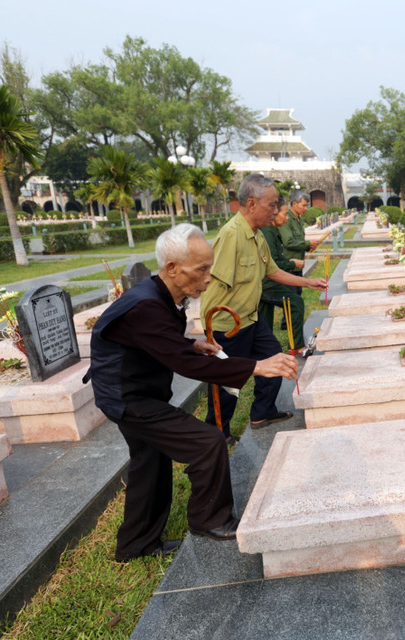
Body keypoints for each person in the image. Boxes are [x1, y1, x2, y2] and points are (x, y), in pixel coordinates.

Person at [84, 223, 299, 560]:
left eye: (209, 268)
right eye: (201, 269)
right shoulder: (147, 305)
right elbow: (188, 367)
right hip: (129, 398)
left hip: (132, 392)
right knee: (207, 443)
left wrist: (191, 344)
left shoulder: (158, 295)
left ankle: (136, 545)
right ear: (172, 268)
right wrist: (256, 366)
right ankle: (209, 519)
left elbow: (159, 344)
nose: (209, 278)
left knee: (149, 463)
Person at [200, 174, 327, 441]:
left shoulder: (257, 236)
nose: (275, 211)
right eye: (271, 205)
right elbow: (210, 283)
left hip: (250, 320)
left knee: (275, 358)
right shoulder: (232, 236)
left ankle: (262, 412)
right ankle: (216, 434)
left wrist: (308, 281)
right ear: (251, 203)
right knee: (228, 385)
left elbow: (273, 271)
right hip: (227, 325)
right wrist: (212, 334)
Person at [259, 198, 305, 351]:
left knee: (264, 318)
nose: (286, 218)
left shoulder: (272, 231)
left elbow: (277, 258)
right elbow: (272, 264)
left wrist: (290, 261)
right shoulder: (267, 232)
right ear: (274, 212)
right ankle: (297, 346)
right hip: (267, 282)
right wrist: (292, 264)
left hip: (266, 281)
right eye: (284, 214)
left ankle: (265, 348)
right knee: (296, 303)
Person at [279, 189, 319, 293]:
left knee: (298, 294)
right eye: (303, 205)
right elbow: (289, 242)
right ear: (294, 204)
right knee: (291, 300)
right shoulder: (286, 220)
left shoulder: (300, 219)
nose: (306, 209)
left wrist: (307, 247)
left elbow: (298, 241)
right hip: (289, 266)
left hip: (298, 266)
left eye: (307, 206)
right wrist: (308, 243)